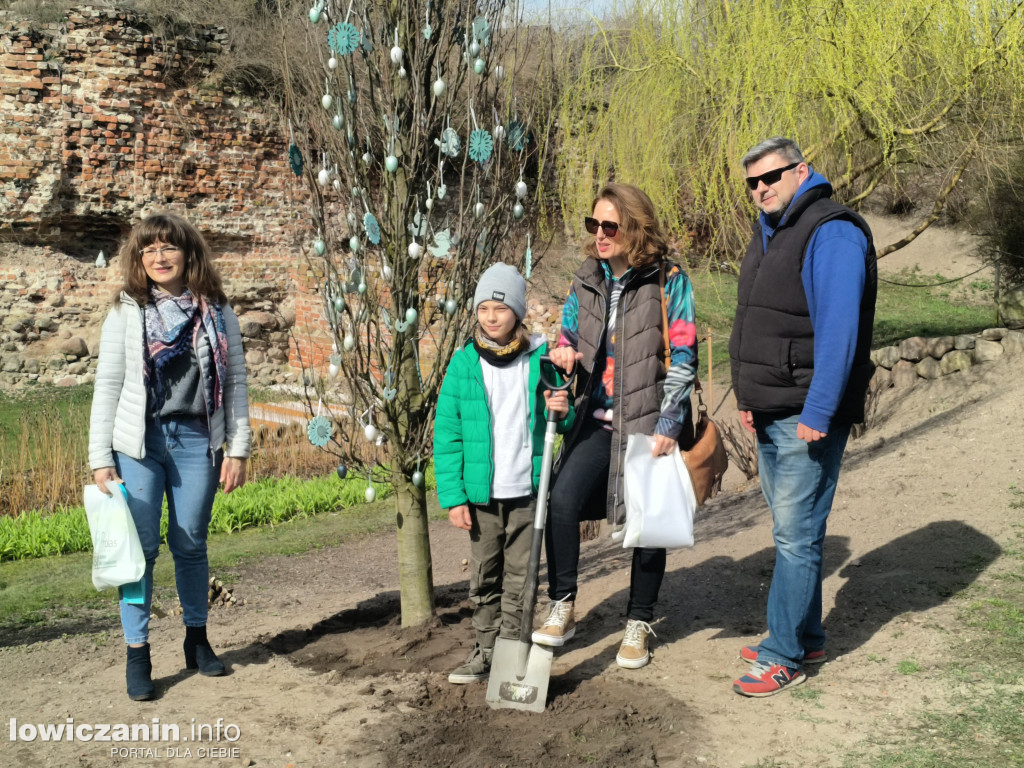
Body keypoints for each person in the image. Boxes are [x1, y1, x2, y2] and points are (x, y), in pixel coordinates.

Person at [729, 137, 876, 697]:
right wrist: (747, 394)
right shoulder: (772, 229)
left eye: (771, 176)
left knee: (794, 536)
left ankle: (782, 652)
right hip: (772, 406)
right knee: (796, 532)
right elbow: (755, 318)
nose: (761, 188)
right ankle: (806, 634)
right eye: (752, 182)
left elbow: (839, 329)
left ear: (802, 170)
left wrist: (820, 408)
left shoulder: (830, 230)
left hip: (805, 413)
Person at [532, 183, 698, 670]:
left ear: (635, 228)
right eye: (593, 225)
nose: (600, 235)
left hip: (648, 422)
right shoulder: (586, 279)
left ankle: (638, 624)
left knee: (647, 525)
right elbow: (567, 338)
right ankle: (563, 604)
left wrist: (670, 421)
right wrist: (562, 356)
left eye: (611, 226)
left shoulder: (668, 281)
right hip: (597, 421)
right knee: (560, 501)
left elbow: (684, 356)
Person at [89, 212, 251, 701]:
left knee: (191, 544)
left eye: (168, 248)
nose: (159, 257)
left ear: (188, 254)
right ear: (139, 260)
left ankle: (196, 640)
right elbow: (108, 385)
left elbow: (238, 383)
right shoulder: (126, 311)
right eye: (149, 250)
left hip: (196, 440)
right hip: (138, 444)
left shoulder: (218, 311)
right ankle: (137, 652)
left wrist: (238, 448)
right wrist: (100, 457)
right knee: (138, 553)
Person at [434, 262, 573, 684]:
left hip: (526, 492)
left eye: (500, 307)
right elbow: (448, 432)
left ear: (516, 310)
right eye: (483, 308)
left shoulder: (539, 359)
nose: (491, 316)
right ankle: (485, 651)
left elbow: (559, 422)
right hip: (481, 498)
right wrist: (454, 496)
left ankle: (512, 657)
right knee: (484, 577)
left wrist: (562, 410)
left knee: (521, 579)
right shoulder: (463, 364)